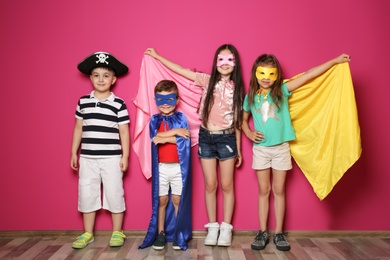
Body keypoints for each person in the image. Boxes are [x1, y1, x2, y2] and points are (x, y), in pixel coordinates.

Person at [241, 53, 351, 251]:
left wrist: (334, 61)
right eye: (262, 72)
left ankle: (279, 232)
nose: (266, 77)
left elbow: (308, 76)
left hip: (281, 148)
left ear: (277, 75)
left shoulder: (282, 90)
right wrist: (248, 132)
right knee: (263, 191)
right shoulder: (251, 96)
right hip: (261, 150)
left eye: (271, 73)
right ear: (255, 74)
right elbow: (242, 120)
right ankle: (263, 231)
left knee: (279, 191)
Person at [145, 44, 244, 247]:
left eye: (230, 60)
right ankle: (213, 227)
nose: (225, 64)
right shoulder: (206, 80)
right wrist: (158, 56)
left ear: (235, 63)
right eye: (221, 59)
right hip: (207, 137)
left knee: (226, 185)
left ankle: (226, 228)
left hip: (227, 139)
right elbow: (180, 70)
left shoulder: (239, 89)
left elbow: (239, 122)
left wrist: (239, 150)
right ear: (216, 62)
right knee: (210, 184)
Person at [70, 51, 130, 249]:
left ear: (113, 79)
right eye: (96, 75)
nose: (101, 79)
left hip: (112, 158)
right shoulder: (83, 102)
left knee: (114, 192)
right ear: (90, 78)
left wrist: (125, 156)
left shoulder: (118, 104)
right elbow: (78, 128)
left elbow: (124, 131)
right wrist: (73, 152)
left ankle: (117, 231)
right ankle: (87, 233)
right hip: (88, 157)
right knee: (87, 193)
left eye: (106, 75)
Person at [139, 80, 192, 251]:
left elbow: (185, 139)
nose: (165, 105)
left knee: (177, 199)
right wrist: (175, 133)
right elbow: (155, 139)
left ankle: (178, 233)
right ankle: (160, 232)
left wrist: (166, 137)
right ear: (155, 100)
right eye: (160, 100)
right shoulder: (154, 120)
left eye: (169, 99)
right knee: (161, 200)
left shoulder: (181, 118)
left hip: (178, 167)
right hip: (161, 167)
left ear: (176, 100)